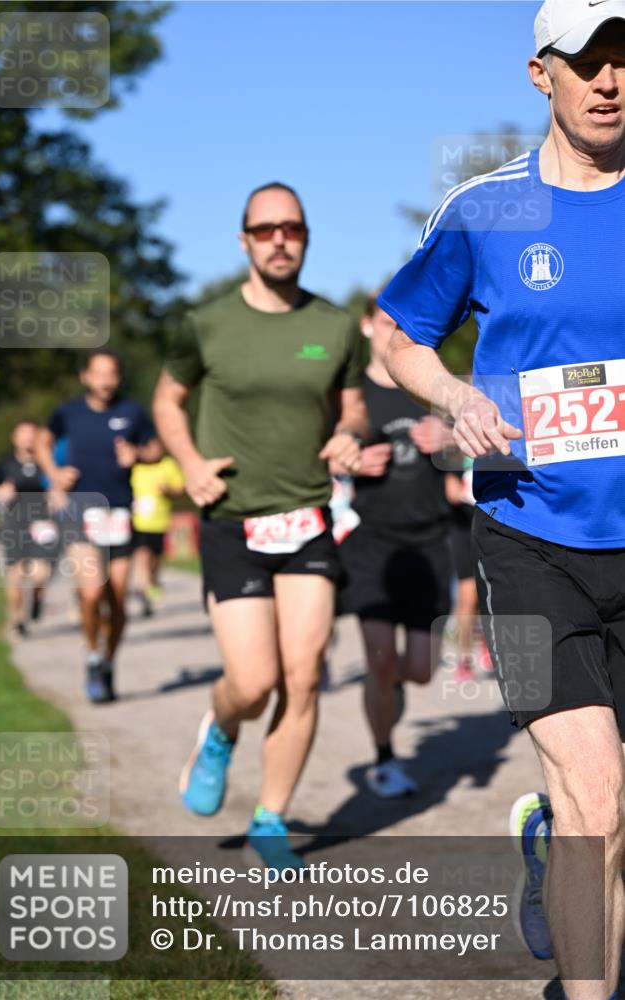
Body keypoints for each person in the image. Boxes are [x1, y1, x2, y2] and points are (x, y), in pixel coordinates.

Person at [380, 2, 625, 996]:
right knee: (596, 797)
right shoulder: (487, 210)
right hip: (526, 537)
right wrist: (453, 395)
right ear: (540, 74)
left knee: (605, 813)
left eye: (624, 59)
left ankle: (548, 850)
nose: (608, 79)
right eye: (586, 60)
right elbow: (396, 336)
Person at [153, 181, 367, 871]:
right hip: (232, 520)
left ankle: (270, 818)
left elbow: (353, 407)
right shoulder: (205, 324)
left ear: (306, 238)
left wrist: (349, 434)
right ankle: (219, 728)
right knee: (252, 682)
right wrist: (188, 462)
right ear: (244, 240)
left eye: (292, 228)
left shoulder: (334, 327)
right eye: (266, 229)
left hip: (306, 517)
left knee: (302, 678)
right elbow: (166, 401)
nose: (280, 239)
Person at [337, 294, 455, 798]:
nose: (394, 331)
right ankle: (385, 759)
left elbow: (475, 449)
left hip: (428, 540)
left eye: (403, 323)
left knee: (422, 670)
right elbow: (322, 454)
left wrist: (449, 440)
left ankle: (392, 688)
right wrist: (348, 462)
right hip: (371, 542)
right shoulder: (352, 395)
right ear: (367, 326)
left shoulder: (429, 384)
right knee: (380, 659)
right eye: (386, 321)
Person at [37, 350, 161, 703]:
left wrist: (138, 455)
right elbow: (43, 442)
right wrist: (55, 474)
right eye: (99, 374)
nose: (105, 381)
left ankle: (108, 661)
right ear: (86, 377)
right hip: (81, 509)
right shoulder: (69, 412)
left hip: (118, 513)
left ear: (119, 377)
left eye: (112, 374)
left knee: (117, 601)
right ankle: (92, 655)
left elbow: (156, 449)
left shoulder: (132, 412)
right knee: (91, 594)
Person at [0, 419, 55, 636]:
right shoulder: (4, 464)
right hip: (14, 525)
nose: (28, 438)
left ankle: (38, 597)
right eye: (23, 433)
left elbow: (61, 485)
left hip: (42, 525)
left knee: (41, 573)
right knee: (16, 574)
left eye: (32, 433)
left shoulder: (47, 462)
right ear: (14, 437)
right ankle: (18, 619)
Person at [445, 457, 493, 683]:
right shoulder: (454, 453)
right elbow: (451, 493)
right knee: (468, 595)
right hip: (463, 529)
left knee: (490, 589)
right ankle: (464, 659)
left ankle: (487, 640)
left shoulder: (494, 450)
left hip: (490, 527)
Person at [131, 455, 185, 616]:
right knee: (142, 555)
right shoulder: (134, 466)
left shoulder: (167, 464)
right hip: (137, 522)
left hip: (160, 522)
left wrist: (168, 489)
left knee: (155, 559)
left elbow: (181, 488)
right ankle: (144, 591)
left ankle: (152, 581)